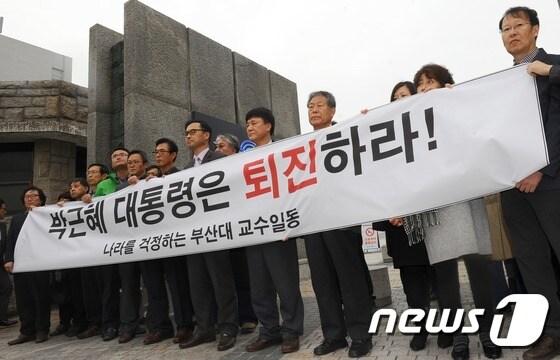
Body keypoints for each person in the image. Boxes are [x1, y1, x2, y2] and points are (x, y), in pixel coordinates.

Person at [401, 64, 501, 360]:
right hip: (438, 208)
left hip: (468, 199)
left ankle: (487, 333)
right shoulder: (411, 121)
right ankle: (459, 336)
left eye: (430, 82)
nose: (423, 88)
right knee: (445, 278)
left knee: (479, 271)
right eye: (419, 83)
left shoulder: (460, 108)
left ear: (445, 84)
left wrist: (455, 101)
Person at [497, 6, 560, 360]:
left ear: (535, 30)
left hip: (552, 182)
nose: (512, 33)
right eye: (505, 29)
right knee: (532, 263)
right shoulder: (498, 85)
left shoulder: (555, 66)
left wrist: (541, 169)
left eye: (518, 25)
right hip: (513, 188)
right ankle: (551, 333)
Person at [305, 92, 373, 358]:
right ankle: (333, 335)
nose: (314, 110)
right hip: (313, 223)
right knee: (322, 282)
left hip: (342, 221)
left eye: (320, 105)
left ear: (333, 112)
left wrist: (368, 121)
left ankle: (360, 335)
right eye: (310, 106)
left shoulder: (346, 134)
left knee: (350, 279)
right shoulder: (299, 146)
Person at [372, 83, 434, 352]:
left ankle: (447, 327)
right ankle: (419, 329)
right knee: (412, 282)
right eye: (394, 97)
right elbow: (376, 181)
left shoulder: (426, 130)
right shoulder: (382, 139)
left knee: (439, 278)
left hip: (429, 221)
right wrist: (389, 214)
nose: (399, 100)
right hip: (399, 225)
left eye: (404, 96)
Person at [243, 107, 304, 354]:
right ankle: (268, 331)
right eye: (247, 123)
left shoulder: (284, 153)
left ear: (268, 126)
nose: (249, 127)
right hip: (253, 231)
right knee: (259, 286)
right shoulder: (240, 161)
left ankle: (291, 331)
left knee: (286, 284)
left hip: (279, 230)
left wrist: (291, 223)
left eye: (254, 122)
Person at [179, 120, 239, 351]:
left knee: (221, 282)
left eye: (193, 132)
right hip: (193, 236)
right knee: (198, 283)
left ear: (206, 135)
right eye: (186, 133)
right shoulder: (185, 169)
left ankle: (227, 327)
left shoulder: (221, 160)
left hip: (216, 232)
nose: (188, 136)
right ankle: (204, 328)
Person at [141, 138, 195, 345]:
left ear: (173, 155)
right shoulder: (146, 181)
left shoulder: (181, 176)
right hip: (150, 241)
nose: (158, 155)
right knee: (153, 286)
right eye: (156, 151)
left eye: (163, 151)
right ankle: (160, 326)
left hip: (173, 240)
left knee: (178, 284)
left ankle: (184, 325)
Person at [79, 148, 129, 341]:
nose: (118, 158)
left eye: (122, 155)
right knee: (107, 287)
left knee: (124, 286)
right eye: (114, 155)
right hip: (104, 245)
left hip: (127, 240)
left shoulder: (132, 180)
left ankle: (121, 323)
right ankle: (107, 324)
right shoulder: (105, 185)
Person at [214, 132, 258, 335]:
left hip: (240, 232)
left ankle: (248, 317)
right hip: (218, 234)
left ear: (234, 149)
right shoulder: (209, 172)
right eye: (216, 147)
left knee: (243, 278)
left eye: (222, 146)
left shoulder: (242, 168)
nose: (218, 150)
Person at [4, 186, 51, 345]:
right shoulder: (17, 219)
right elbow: (10, 241)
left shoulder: (48, 215)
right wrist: (8, 259)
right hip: (21, 264)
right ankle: (26, 331)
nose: (29, 198)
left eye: (33, 195)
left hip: (40, 263)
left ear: (41, 199)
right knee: (24, 299)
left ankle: (42, 329)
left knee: (40, 297)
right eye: (27, 196)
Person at [116, 150, 148, 343]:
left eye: (136, 162)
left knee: (153, 284)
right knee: (128, 286)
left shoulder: (152, 182)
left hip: (148, 242)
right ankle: (128, 325)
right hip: (127, 244)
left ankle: (156, 323)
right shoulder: (119, 189)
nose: (132, 165)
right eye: (129, 163)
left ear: (144, 164)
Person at [50, 185, 88, 338]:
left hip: (79, 260)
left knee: (77, 294)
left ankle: (79, 322)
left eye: (67, 202)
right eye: (61, 201)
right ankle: (64, 322)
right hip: (62, 260)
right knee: (62, 294)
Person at [0, 198, 17, 328]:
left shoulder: (3, 225)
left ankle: (2, 317)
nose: (5, 211)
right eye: (3, 209)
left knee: (6, 287)